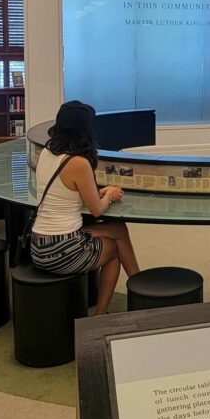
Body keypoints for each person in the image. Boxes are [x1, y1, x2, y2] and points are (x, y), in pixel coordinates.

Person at [30, 100, 140, 315]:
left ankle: (139, 283)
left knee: (118, 229)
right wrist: (109, 194)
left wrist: (99, 192)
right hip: (61, 249)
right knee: (115, 251)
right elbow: (97, 210)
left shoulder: (47, 152)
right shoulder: (78, 163)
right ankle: (105, 311)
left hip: (38, 245)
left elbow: (67, 194)